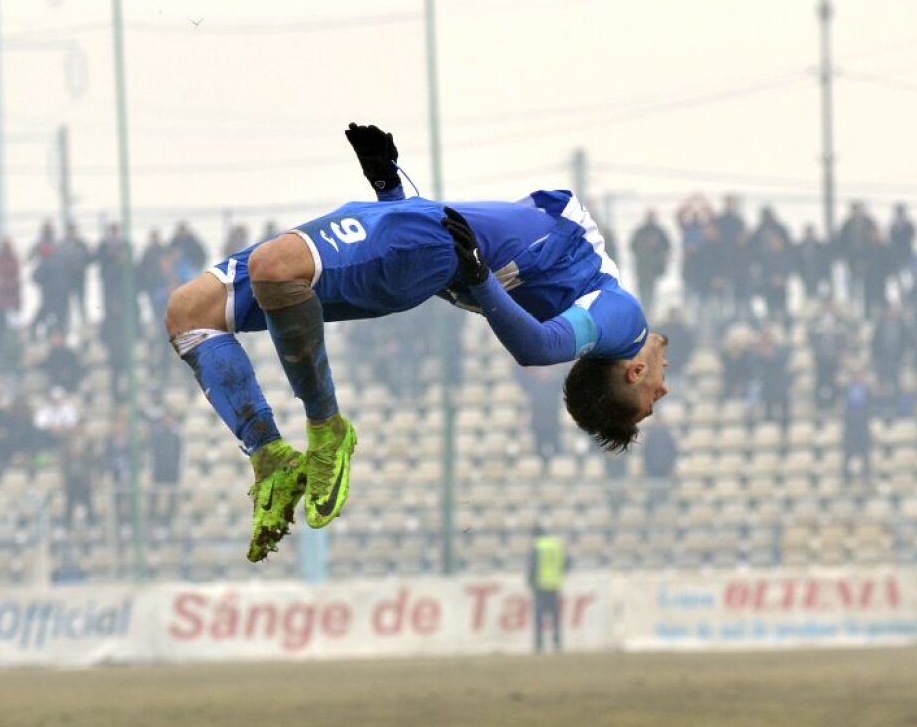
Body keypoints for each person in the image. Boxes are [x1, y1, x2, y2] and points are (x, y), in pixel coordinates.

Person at [164, 123, 667, 562]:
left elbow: (537, 345)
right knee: (190, 313)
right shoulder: (570, 296)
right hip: (416, 240)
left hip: (424, 249)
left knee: (273, 268)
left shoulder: (624, 323)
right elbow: (450, 231)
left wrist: (478, 274)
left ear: (634, 374)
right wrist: (390, 184)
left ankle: (326, 431)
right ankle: (268, 455)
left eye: (647, 405)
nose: (662, 395)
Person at [527, 524, 568, 654]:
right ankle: (557, 642)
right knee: (555, 615)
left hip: (540, 586)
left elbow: (532, 566)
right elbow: (566, 562)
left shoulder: (537, 546)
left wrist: (530, 582)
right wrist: (559, 575)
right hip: (555, 585)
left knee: (539, 616)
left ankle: (539, 644)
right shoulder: (556, 545)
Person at [628, 210, 671, 318]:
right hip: (642, 268)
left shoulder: (659, 231)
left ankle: (651, 312)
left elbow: (667, 246)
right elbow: (632, 246)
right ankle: (644, 312)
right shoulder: (640, 231)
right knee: (642, 292)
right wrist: (643, 246)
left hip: (653, 269)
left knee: (652, 292)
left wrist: (657, 250)